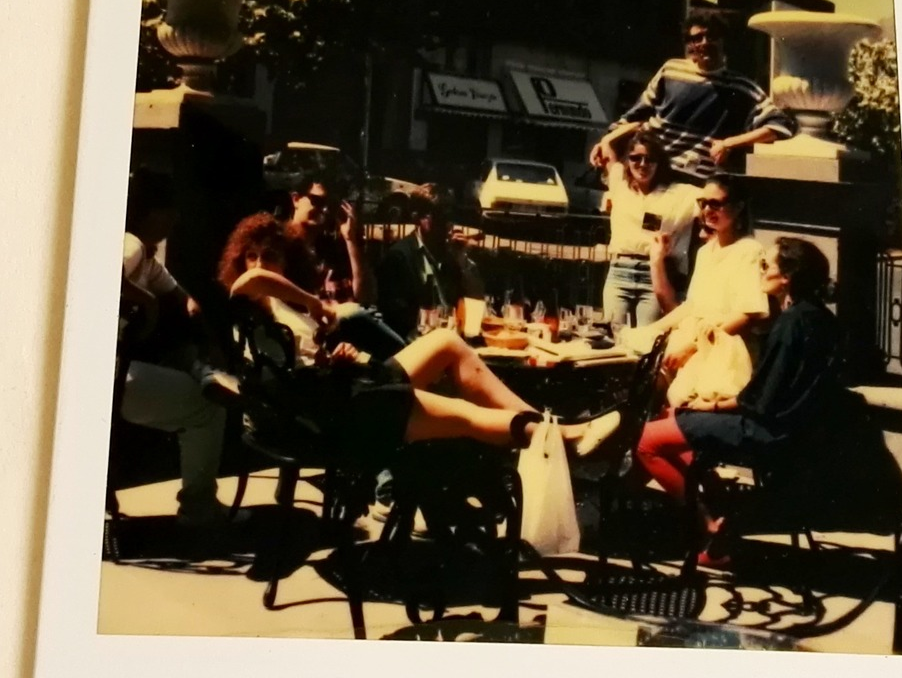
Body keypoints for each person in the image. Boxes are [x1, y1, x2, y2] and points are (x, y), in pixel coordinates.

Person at [217, 214, 620, 465]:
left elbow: (301, 367)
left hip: (343, 388)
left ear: (286, 261)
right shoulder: (248, 300)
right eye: (251, 257)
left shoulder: (284, 310)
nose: (259, 265)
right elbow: (251, 282)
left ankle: (548, 424)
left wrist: (334, 356)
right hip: (339, 411)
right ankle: (564, 441)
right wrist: (314, 303)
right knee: (464, 415)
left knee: (447, 341)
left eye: (270, 257)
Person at [636, 237, 842, 565]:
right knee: (670, 416)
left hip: (769, 432)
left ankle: (708, 525)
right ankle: (718, 505)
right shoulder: (819, 318)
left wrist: (710, 406)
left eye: (767, 266)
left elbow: (761, 402)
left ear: (786, 277)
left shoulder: (790, 324)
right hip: (797, 430)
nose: (761, 271)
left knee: (646, 440)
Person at [118, 170, 235, 528]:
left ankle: (205, 372)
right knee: (207, 408)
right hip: (106, 376)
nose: (175, 218)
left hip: (115, 373)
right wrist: (150, 304)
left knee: (195, 377)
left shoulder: (148, 259)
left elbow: (189, 304)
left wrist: (208, 345)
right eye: (168, 209)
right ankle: (198, 507)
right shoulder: (130, 244)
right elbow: (105, 273)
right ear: (150, 212)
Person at [590, 9, 796, 184]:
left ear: (724, 41)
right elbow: (637, 115)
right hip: (654, 176)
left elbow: (780, 127)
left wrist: (729, 143)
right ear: (689, 44)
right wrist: (605, 141)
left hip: (697, 184)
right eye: (696, 38)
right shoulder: (670, 71)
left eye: (711, 36)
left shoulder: (743, 88)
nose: (704, 43)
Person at [635, 172, 769, 377]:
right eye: (703, 203)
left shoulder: (749, 251)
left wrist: (692, 348)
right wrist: (650, 331)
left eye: (715, 204)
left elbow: (746, 315)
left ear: (738, 206)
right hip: (694, 345)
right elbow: (692, 306)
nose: (707, 210)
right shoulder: (705, 252)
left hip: (726, 354)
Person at [287, 174, 405, 360]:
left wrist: (350, 240)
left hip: (350, 340)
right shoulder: (280, 244)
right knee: (351, 313)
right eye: (317, 201)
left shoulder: (331, 248)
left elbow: (366, 298)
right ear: (296, 199)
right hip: (312, 336)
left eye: (330, 205)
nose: (325, 210)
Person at [597, 126, 700, 327]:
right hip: (619, 272)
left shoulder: (679, 193)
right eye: (636, 158)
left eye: (650, 159)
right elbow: (607, 144)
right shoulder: (619, 182)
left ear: (659, 163)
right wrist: (637, 124)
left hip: (655, 276)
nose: (643, 164)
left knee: (647, 340)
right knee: (613, 336)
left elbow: (713, 197)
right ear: (627, 160)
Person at [377, 184, 484, 340]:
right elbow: (395, 316)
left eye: (449, 216)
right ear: (416, 218)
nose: (447, 224)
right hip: (415, 341)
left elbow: (475, 299)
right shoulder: (399, 257)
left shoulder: (450, 254)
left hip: (452, 338)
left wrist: (462, 258)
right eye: (439, 216)